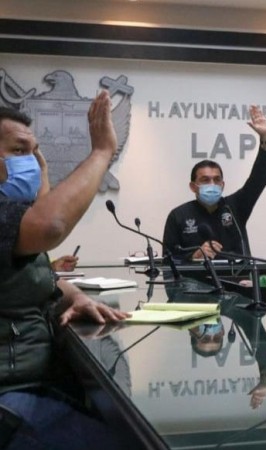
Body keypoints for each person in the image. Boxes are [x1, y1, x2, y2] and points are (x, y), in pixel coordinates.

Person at [0, 93, 129, 448]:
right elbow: (51, 224)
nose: (34, 160)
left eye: (36, 151)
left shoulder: (13, 219)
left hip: (32, 385)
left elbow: (36, 274)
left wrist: (73, 294)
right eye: (19, 149)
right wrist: (102, 151)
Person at [163, 105, 266, 262]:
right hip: (194, 284)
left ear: (222, 185)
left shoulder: (236, 206)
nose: (212, 184)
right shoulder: (178, 216)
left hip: (237, 281)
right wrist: (193, 256)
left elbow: (260, 178)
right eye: (205, 180)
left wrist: (265, 139)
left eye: (217, 179)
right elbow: (168, 261)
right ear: (193, 186)